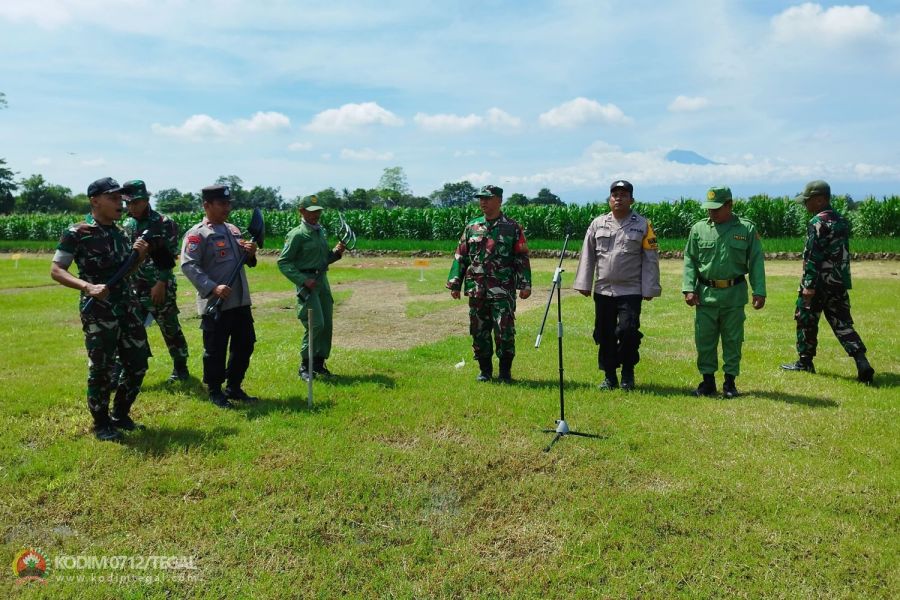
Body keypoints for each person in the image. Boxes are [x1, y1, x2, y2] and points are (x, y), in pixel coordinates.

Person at [50, 177, 150, 441]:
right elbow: (57, 270)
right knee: (102, 368)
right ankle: (102, 423)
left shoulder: (124, 232)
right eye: (114, 198)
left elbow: (127, 272)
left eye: (121, 198)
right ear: (95, 201)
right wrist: (87, 287)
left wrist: (139, 257)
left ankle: (120, 415)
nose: (121, 203)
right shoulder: (77, 232)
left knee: (138, 363)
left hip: (127, 307)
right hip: (99, 309)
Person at [780, 180, 874, 383]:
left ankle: (805, 362)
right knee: (842, 323)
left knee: (805, 319)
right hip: (838, 283)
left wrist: (808, 286)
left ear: (820, 200)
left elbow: (814, 256)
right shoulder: (841, 221)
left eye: (808, 201)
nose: (805, 205)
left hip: (818, 283)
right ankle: (861, 361)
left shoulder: (817, 222)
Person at [573, 180, 662, 390]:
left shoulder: (643, 225)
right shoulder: (598, 224)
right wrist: (584, 283)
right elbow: (588, 254)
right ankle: (610, 375)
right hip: (603, 289)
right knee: (604, 333)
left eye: (623, 195)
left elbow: (651, 258)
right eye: (614, 195)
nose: (618, 198)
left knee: (628, 331)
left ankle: (628, 372)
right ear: (609, 199)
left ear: (632, 200)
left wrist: (650, 288)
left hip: (630, 290)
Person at [682, 186, 766, 398]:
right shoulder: (698, 229)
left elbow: (756, 262)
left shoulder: (745, 229)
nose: (712, 213)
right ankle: (707, 382)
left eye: (717, 208)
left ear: (730, 205)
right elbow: (689, 259)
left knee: (733, 340)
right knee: (705, 340)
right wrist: (688, 288)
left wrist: (759, 290)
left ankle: (730, 383)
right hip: (705, 295)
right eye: (709, 209)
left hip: (733, 295)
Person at [180, 184, 258, 408]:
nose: (227, 208)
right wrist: (213, 287)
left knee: (245, 344)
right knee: (215, 349)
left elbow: (246, 262)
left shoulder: (233, 230)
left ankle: (234, 386)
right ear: (207, 205)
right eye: (222, 203)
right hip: (216, 303)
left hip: (239, 301)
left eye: (228, 203)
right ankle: (215, 391)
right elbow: (189, 265)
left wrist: (251, 254)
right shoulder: (197, 234)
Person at [447, 184, 532, 382]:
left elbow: (521, 257)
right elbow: (461, 255)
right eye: (481, 198)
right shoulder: (472, 227)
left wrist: (525, 284)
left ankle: (504, 372)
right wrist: (455, 283)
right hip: (477, 290)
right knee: (478, 330)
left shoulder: (512, 227)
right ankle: (485, 370)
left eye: (488, 198)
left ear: (499, 200)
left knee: (505, 331)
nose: (483, 201)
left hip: (503, 290)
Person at [121, 180, 190, 383]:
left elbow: (169, 257)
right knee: (130, 330)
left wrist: (161, 283)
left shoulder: (163, 222)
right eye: (128, 203)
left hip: (158, 285)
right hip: (134, 286)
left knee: (169, 327)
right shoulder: (128, 224)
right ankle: (127, 369)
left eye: (134, 203)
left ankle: (180, 367)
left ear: (145, 200)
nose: (130, 207)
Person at [277, 195, 346, 381]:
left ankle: (318, 364)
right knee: (316, 324)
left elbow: (323, 260)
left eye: (319, 211)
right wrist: (302, 280)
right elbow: (283, 262)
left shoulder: (320, 232)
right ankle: (304, 366)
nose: (317, 215)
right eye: (312, 211)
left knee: (327, 325)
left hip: (322, 282)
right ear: (301, 211)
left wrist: (336, 254)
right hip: (307, 284)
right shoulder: (297, 235)